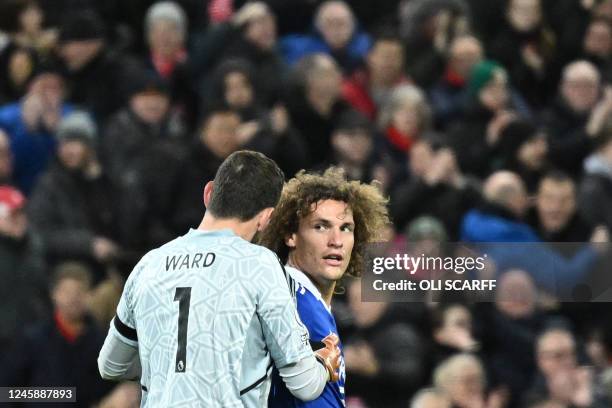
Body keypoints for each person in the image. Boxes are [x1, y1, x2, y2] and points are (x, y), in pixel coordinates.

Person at [98, 151, 341, 406]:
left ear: (209, 193)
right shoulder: (259, 265)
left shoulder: (148, 265)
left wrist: (167, 364)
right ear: (266, 218)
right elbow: (304, 384)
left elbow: (110, 366)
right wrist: (323, 365)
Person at [260, 167, 389, 407]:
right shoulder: (294, 302)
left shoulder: (305, 299)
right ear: (291, 235)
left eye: (346, 228)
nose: (336, 241)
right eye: (320, 226)